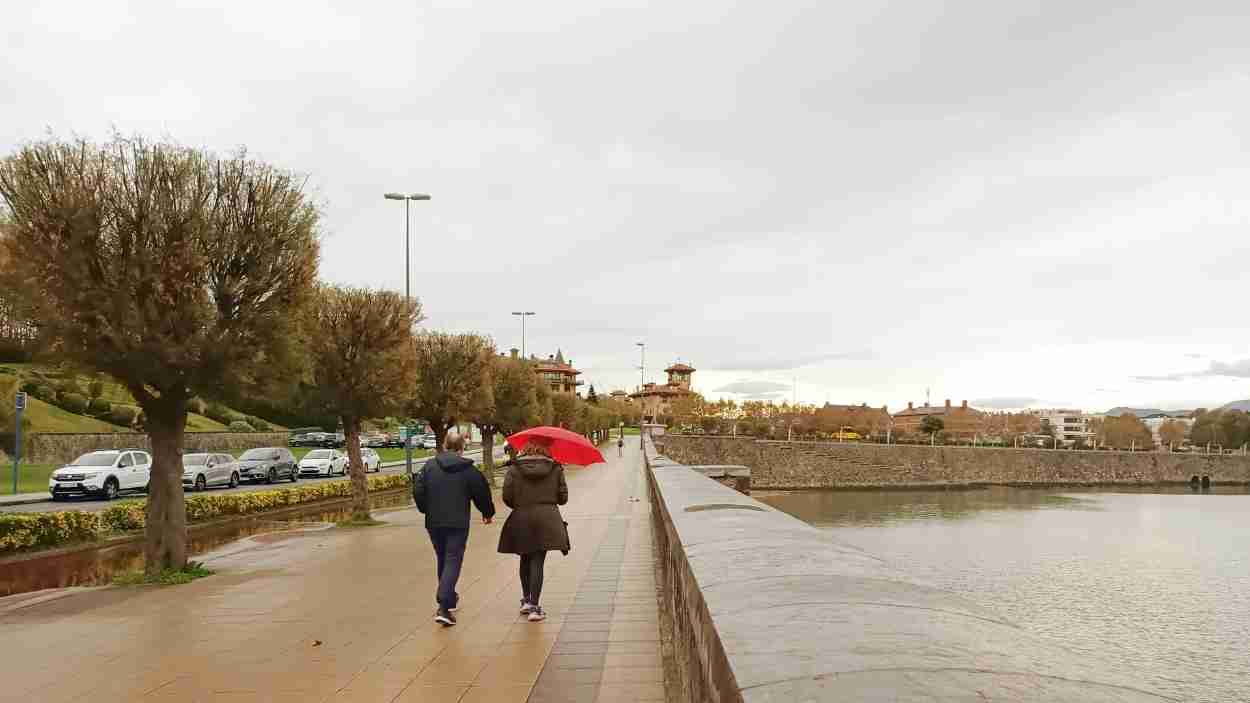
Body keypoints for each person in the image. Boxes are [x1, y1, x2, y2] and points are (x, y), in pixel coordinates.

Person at [413, 431, 495, 627]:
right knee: (452, 559)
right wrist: (487, 512)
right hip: (457, 524)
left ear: (445, 445)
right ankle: (443, 604)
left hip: (434, 523)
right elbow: (481, 491)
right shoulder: (468, 469)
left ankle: (448, 600)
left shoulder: (430, 466)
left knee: (443, 557)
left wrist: (425, 508)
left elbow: (418, 489)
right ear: (461, 448)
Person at [497, 441, 569, 622]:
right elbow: (563, 499)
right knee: (538, 560)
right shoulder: (555, 468)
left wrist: (520, 505)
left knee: (525, 557)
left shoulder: (514, 469)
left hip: (522, 516)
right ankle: (535, 608)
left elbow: (507, 496)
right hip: (547, 518)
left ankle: (526, 600)